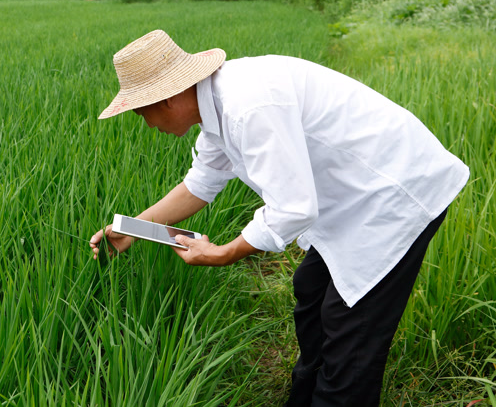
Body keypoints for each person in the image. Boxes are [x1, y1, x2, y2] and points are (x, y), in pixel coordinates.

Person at [88, 30, 469, 407]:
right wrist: (132, 229)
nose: (146, 123)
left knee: (350, 331)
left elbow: (293, 209)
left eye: (141, 111)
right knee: (310, 292)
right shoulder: (216, 107)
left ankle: (338, 396)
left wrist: (222, 253)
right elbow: (199, 185)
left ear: (167, 99)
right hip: (351, 197)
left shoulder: (248, 106)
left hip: (394, 194)